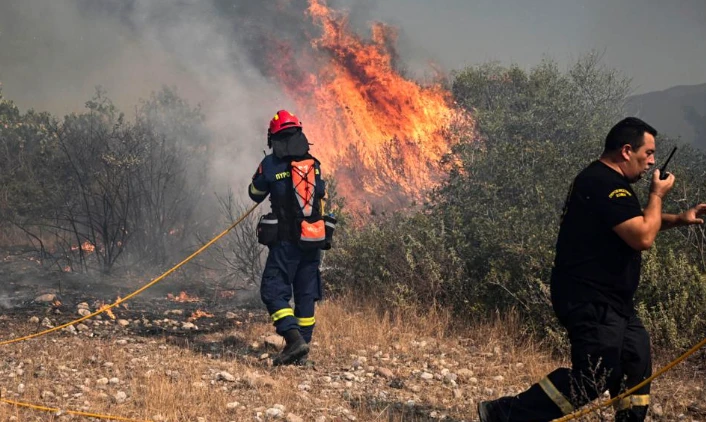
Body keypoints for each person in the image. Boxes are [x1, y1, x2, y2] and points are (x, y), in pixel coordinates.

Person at [478, 117, 706, 422]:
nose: (652, 162)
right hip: (589, 298)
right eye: (648, 153)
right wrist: (657, 195)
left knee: (634, 364)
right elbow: (642, 236)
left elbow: (634, 221)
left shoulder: (609, 184)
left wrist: (679, 218)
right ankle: (503, 413)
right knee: (596, 376)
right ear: (627, 150)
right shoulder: (602, 182)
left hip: (614, 302)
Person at [248, 109, 327, 366]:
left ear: (274, 137)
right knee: (306, 293)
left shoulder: (270, 164)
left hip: (286, 242)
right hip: (312, 239)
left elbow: (255, 193)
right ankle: (302, 349)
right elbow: (322, 192)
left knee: (272, 289)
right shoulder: (312, 164)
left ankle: (293, 340)